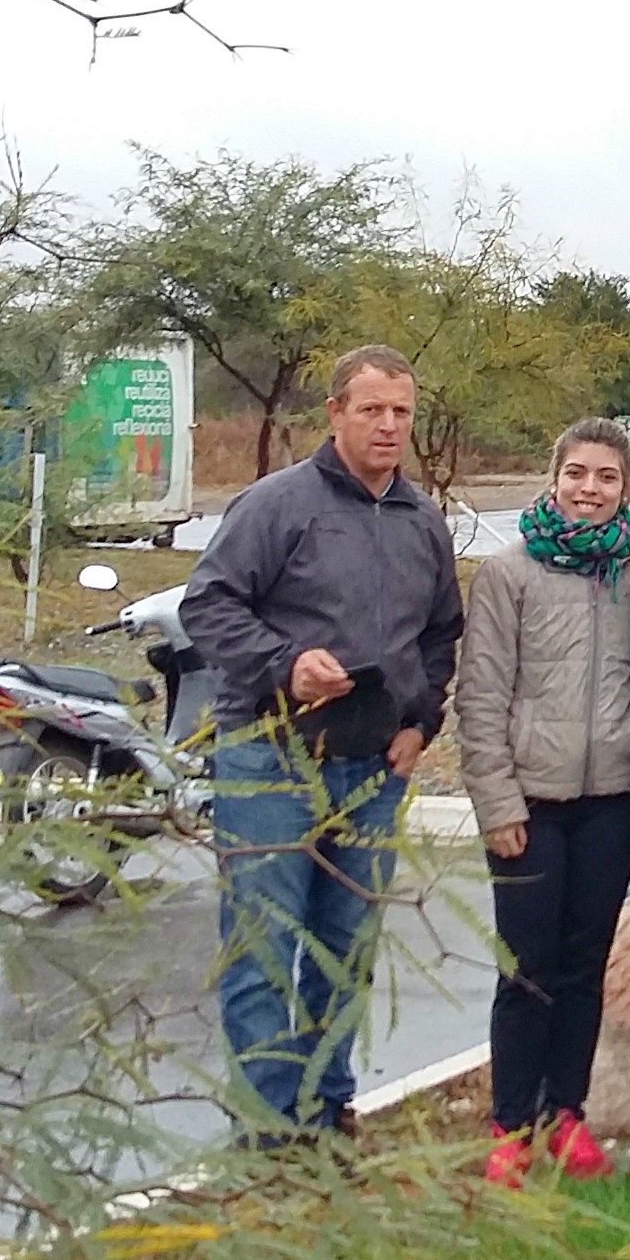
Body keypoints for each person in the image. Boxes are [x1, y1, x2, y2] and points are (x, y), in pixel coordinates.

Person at [183, 344, 464, 1148]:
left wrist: (421, 724)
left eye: (400, 412)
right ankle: (270, 1132)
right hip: (271, 758)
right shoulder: (277, 506)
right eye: (370, 409)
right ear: (335, 412)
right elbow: (209, 607)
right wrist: (283, 665)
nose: (386, 426)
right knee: (264, 950)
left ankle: (325, 1108)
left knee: (345, 951)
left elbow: (442, 635)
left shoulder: (422, 523)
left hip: (374, 770)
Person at [455, 417, 630, 1186]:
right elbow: (480, 696)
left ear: (625, 487)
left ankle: (567, 1113)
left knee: (583, 966)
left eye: (606, 477)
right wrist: (496, 802)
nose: (589, 490)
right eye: (577, 474)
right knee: (525, 971)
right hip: (529, 803)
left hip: (610, 803)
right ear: (554, 476)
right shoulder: (510, 574)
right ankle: (511, 1125)